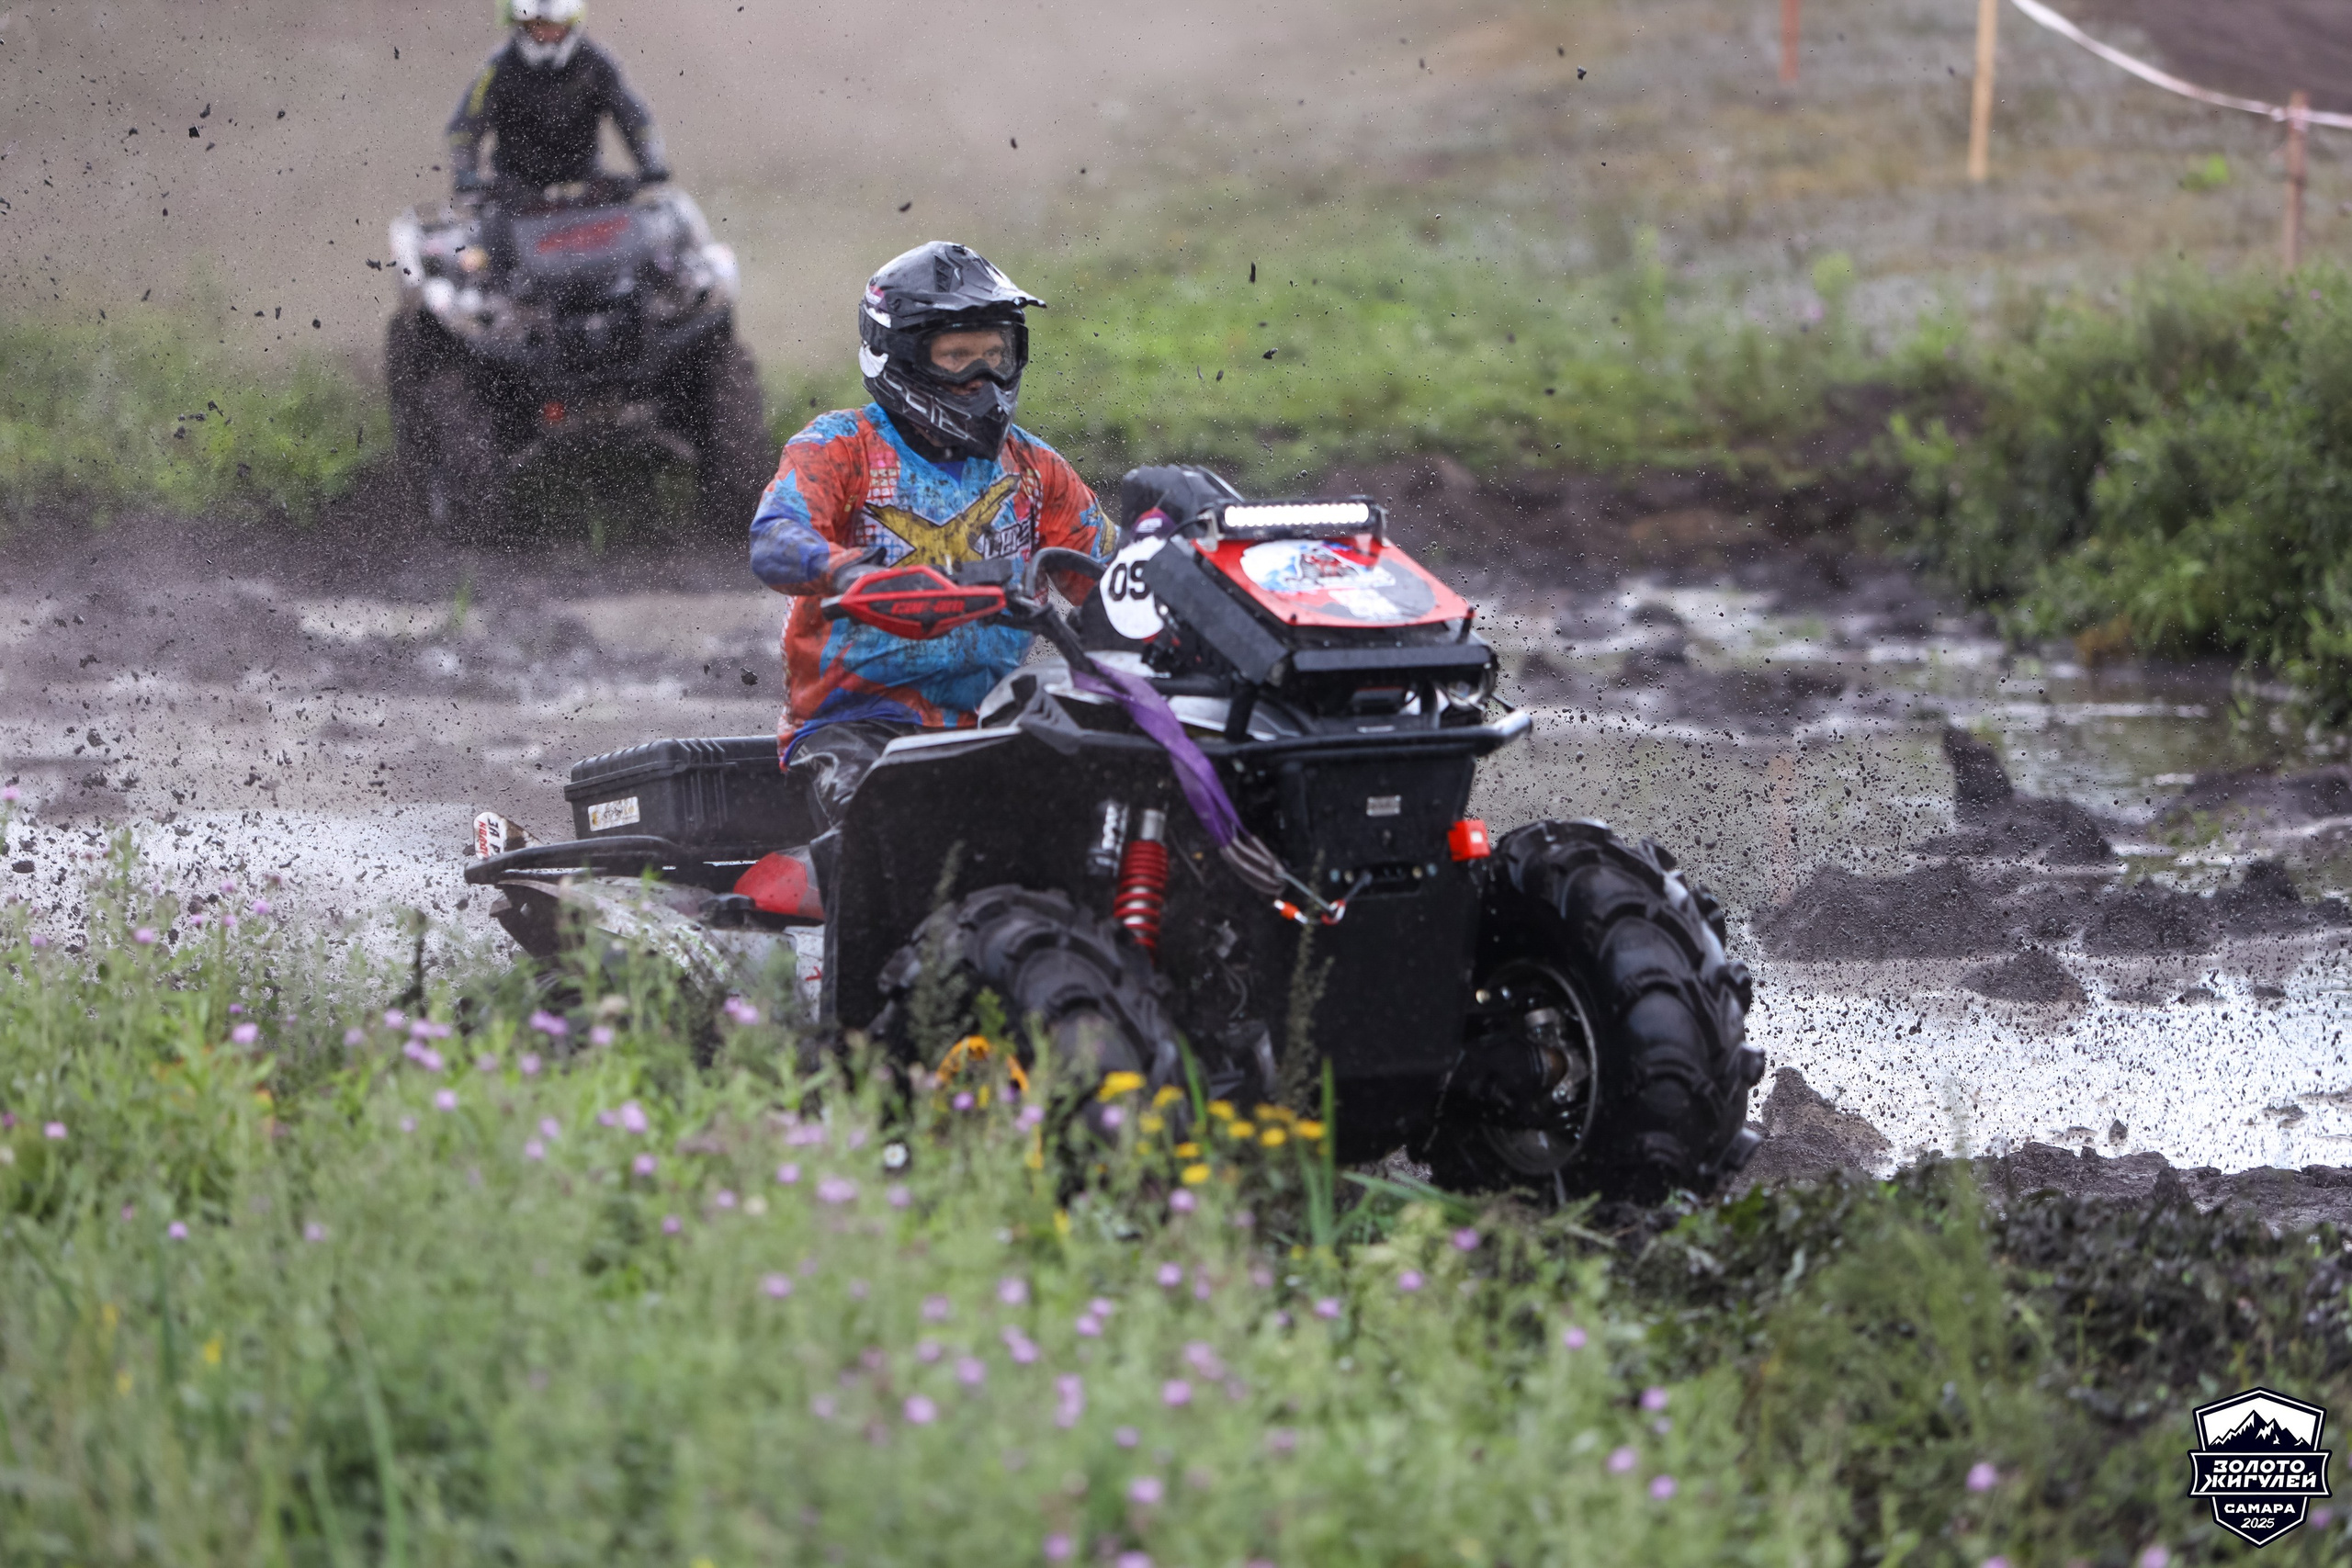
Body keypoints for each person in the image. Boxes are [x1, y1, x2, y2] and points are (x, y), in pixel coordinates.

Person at [748, 241, 1113, 882]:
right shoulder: (841, 447)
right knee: (900, 846)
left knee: (1096, 825)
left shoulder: (1034, 470)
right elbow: (776, 536)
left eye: (996, 355)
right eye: (958, 357)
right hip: (852, 726)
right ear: (904, 357)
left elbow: (1116, 576)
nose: (984, 379)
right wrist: (848, 572)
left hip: (994, 722)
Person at [445, 0, 670, 197]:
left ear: (571, 24)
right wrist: (465, 173)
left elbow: (635, 119)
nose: (547, 34)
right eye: (538, 25)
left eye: (555, 25)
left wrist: (652, 163)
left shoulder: (596, 63)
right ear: (522, 26)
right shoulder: (499, 68)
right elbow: (464, 127)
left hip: (585, 188)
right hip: (513, 193)